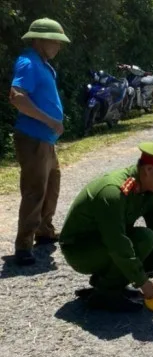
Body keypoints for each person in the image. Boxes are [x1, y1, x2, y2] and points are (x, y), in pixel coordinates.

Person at [58, 142, 153, 312]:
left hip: (109, 244)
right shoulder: (113, 191)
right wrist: (143, 283)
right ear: (149, 169)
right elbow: (117, 243)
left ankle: (114, 282)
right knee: (144, 238)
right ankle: (105, 294)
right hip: (81, 251)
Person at [9, 18, 71, 265]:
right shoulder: (28, 62)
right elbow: (16, 97)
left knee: (51, 184)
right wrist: (49, 120)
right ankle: (23, 245)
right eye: (55, 41)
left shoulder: (41, 63)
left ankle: (44, 231)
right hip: (33, 138)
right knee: (35, 190)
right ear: (40, 39)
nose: (59, 46)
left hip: (45, 139)